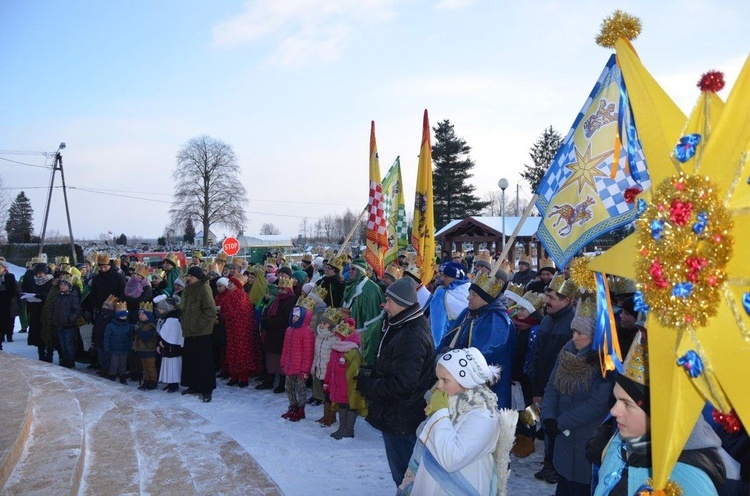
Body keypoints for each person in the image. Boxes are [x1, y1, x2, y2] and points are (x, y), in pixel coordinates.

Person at [591, 335, 728, 495]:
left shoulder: (687, 482)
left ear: (659, 414)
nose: (614, 411)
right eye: (616, 399)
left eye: (627, 404)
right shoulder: (624, 441)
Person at [400, 347, 514, 496]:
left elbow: (451, 459)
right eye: (438, 379)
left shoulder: (484, 417)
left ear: (465, 380)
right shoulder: (451, 407)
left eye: (445, 380)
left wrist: (439, 414)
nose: (439, 386)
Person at [357, 277, 435, 487]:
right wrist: (371, 373)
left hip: (403, 419)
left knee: (405, 477)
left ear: (402, 304)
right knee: (403, 475)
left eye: (388, 301)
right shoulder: (401, 326)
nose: (384, 305)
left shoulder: (412, 336)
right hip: (397, 415)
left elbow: (402, 385)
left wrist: (368, 386)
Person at [541, 297, 615, 495]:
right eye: (573, 331)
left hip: (586, 437)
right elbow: (552, 386)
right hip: (563, 440)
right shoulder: (567, 351)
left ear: (595, 335)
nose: (574, 337)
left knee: (580, 487)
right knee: (564, 484)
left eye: (580, 333)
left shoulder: (605, 362)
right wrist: (548, 416)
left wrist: (562, 421)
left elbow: (597, 403)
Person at [437, 270, 516, 409]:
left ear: (485, 299)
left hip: (480, 393)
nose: (468, 298)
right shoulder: (469, 312)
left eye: (473, 295)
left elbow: (481, 359)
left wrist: (452, 357)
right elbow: (449, 337)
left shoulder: (497, 322)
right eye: (469, 293)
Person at [530, 271, 579, 483]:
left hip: (562, 387)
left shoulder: (573, 324)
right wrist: (536, 389)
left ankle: (559, 467)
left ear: (566, 301)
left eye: (552, 298)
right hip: (544, 385)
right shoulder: (547, 320)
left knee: (558, 428)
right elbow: (537, 355)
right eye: (547, 296)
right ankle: (549, 463)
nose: (546, 301)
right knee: (547, 424)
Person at [324, 317, 367, 439]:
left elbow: (355, 372)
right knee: (341, 406)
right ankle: (342, 428)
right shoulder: (335, 350)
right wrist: (327, 382)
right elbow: (330, 367)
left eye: (338, 336)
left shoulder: (352, 352)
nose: (336, 338)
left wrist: (354, 388)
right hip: (338, 386)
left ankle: (348, 430)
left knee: (350, 406)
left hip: (348, 387)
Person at [179, 265, 216, 403]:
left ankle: (207, 389)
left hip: (201, 332)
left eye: (191, 276)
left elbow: (210, 311)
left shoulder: (204, 289)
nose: (188, 278)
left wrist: (197, 324)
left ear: (197, 277)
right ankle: (193, 385)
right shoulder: (189, 289)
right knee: (191, 360)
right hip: (189, 331)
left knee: (203, 362)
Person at [342, 257, 385, 366]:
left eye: (353, 269)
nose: (350, 271)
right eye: (349, 269)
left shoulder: (371, 290)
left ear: (361, 272)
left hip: (361, 337)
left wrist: (367, 348)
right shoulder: (351, 285)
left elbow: (374, 323)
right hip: (348, 333)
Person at [279, 297, 316, 422]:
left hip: (301, 368)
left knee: (301, 388)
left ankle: (301, 409)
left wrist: (305, 369)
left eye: (297, 317)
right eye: (293, 316)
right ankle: (293, 406)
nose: (295, 318)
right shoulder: (289, 330)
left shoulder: (307, 332)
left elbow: (308, 353)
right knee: (288, 386)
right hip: (290, 366)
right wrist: (283, 363)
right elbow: (285, 348)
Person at [259, 276, 297, 392]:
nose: (280, 291)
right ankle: (269, 380)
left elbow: (286, 318)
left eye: (283, 289)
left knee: (282, 358)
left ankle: (282, 382)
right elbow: (268, 310)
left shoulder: (292, 300)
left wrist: (270, 322)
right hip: (272, 333)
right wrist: (265, 320)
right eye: (279, 289)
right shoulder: (277, 299)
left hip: (282, 333)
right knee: (271, 357)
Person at [223, 276, 263, 387]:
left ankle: (243, 378)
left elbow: (237, 311)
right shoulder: (233, 295)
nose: (229, 284)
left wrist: (224, 313)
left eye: (231, 282)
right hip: (233, 328)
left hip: (240, 329)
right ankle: (234, 376)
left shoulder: (239, 295)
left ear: (236, 285)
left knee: (241, 352)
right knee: (233, 351)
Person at [311, 307, 342, 425]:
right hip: (320, 369)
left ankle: (331, 417)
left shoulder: (334, 338)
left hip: (329, 372)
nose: (322, 324)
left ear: (331, 325)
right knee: (325, 395)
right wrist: (313, 367)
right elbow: (316, 353)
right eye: (322, 322)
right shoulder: (319, 335)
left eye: (325, 323)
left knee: (330, 395)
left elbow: (335, 357)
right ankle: (326, 415)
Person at [429, 261, 470, 345]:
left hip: (446, 346)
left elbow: (438, 327)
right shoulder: (471, 289)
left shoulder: (442, 294)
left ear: (455, 278)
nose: (442, 279)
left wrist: (437, 350)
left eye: (446, 276)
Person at [50, 276, 82, 368]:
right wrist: (54, 318)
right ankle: (65, 360)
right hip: (59, 324)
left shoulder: (72, 296)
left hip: (69, 325)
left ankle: (70, 362)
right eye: (61, 285)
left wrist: (70, 319)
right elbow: (54, 309)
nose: (62, 286)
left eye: (64, 285)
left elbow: (77, 310)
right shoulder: (58, 296)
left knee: (69, 344)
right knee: (63, 345)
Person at [155, 295, 183, 393]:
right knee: (168, 364)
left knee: (173, 365)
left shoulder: (173, 319)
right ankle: (169, 382)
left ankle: (174, 384)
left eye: (161, 309)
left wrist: (165, 342)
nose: (159, 311)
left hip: (172, 347)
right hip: (166, 347)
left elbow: (173, 334)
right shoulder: (164, 318)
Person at [104, 301, 133, 384]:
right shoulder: (110, 326)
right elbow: (107, 337)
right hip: (114, 348)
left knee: (123, 364)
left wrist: (130, 347)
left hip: (124, 348)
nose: (124, 317)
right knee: (114, 363)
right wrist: (107, 347)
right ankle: (112, 376)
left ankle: (122, 376)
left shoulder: (128, 326)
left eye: (125, 316)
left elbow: (130, 337)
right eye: (122, 316)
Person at [133, 301, 159, 391]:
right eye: (139, 314)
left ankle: (153, 381)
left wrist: (138, 330)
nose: (140, 316)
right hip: (141, 349)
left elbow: (147, 337)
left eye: (143, 314)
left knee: (150, 367)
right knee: (144, 367)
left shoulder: (151, 326)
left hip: (149, 349)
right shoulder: (139, 324)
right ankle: (147, 381)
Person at [0, 259, 18, 346]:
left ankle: (9, 336)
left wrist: (6, 296)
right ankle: (1, 336)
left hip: (8, 301)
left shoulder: (10, 276)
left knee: (10, 320)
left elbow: (14, 290)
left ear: (4, 268)